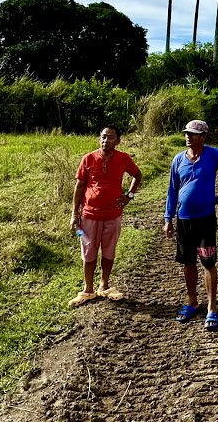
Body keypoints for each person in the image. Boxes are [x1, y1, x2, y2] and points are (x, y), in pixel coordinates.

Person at [163, 119, 218, 331]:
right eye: (187, 133)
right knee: (187, 262)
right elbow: (172, 190)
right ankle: (192, 302)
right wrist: (168, 219)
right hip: (184, 219)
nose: (188, 136)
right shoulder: (178, 159)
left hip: (206, 219)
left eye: (194, 133)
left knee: (208, 262)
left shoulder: (214, 155)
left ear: (203, 136)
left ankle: (212, 309)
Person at [69, 126, 143, 307]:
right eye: (103, 137)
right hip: (88, 215)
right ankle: (88, 290)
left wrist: (129, 196)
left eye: (110, 137)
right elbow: (79, 187)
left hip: (113, 214)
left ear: (118, 140)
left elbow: (137, 175)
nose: (106, 141)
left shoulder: (123, 158)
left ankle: (104, 285)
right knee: (88, 252)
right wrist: (74, 214)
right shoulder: (88, 159)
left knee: (109, 250)